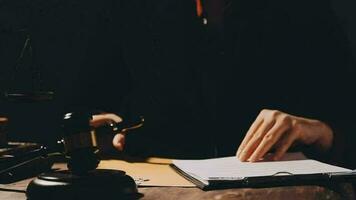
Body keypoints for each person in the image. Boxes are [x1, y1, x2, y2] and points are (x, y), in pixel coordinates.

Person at [72, 0, 354, 167]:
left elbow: (346, 124)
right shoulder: (129, 11)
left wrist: (321, 132)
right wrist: (99, 134)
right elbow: (87, 109)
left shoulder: (303, 11)